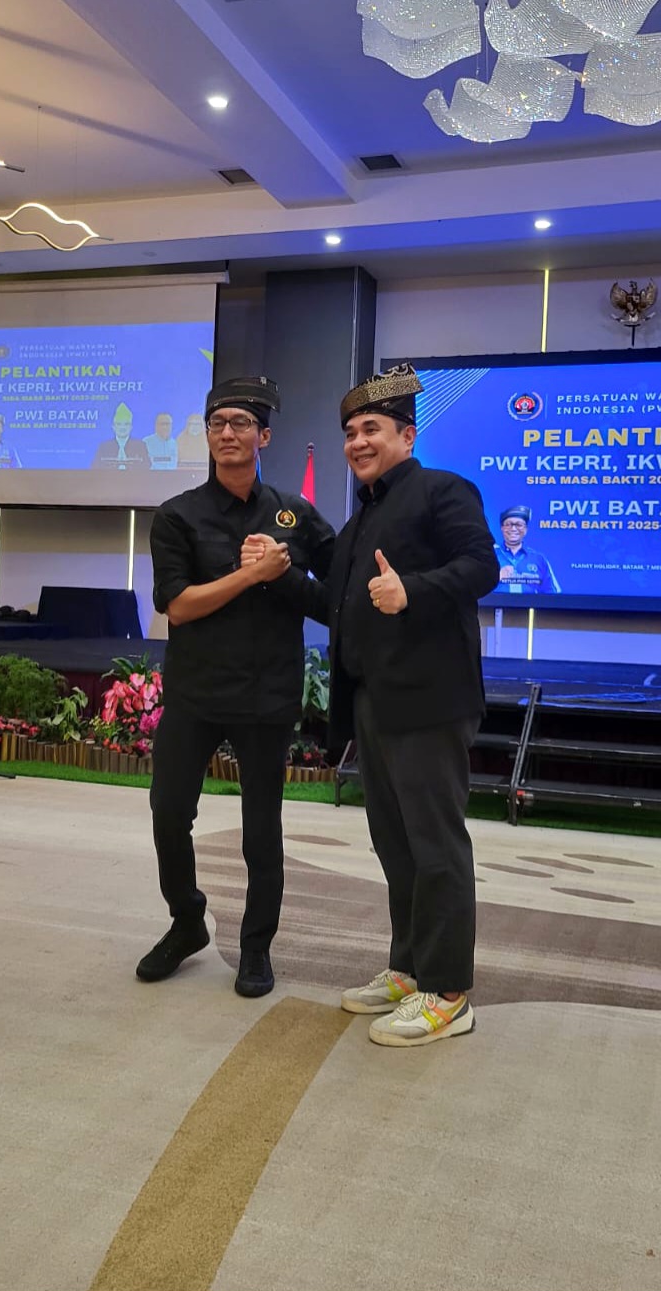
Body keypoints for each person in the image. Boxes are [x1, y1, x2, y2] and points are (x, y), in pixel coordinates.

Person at [244, 364, 498, 1047]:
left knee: (435, 847)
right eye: (351, 432)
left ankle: (448, 993)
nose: (357, 442)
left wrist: (412, 590)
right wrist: (278, 571)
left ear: (406, 436)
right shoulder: (361, 522)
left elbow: (483, 566)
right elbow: (335, 605)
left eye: (372, 429)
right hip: (376, 705)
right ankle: (410, 969)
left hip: (430, 701)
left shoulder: (443, 491)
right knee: (396, 845)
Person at [136, 375, 335, 999]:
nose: (228, 432)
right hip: (195, 691)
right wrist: (251, 576)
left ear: (263, 437)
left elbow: (335, 599)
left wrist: (285, 574)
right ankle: (187, 922)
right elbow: (178, 605)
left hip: (266, 693)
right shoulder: (177, 515)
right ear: (207, 436)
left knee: (261, 830)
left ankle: (256, 947)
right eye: (218, 423)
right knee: (169, 813)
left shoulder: (295, 515)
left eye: (241, 423)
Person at [495, 505, 560, 593]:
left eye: (519, 525)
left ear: (526, 529)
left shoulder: (539, 559)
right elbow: (476, 587)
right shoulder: (490, 555)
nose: (513, 529)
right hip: (494, 602)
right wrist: (496, 577)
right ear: (502, 528)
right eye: (508, 524)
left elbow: (552, 594)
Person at [92, 402, 150, 470]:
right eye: (119, 424)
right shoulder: (104, 447)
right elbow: (95, 468)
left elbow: (147, 467)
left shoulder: (140, 446)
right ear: (113, 427)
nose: (122, 427)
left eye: (126, 424)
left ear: (131, 427)